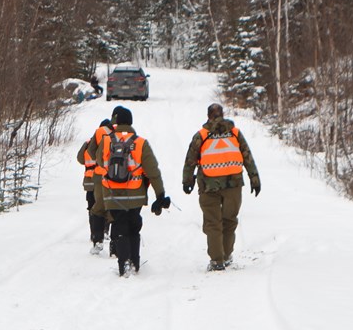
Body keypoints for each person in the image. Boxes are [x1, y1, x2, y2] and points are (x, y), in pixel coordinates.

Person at [182, 103, 262, 271]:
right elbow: (247, 156)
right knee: (229, 221)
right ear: (223, 115)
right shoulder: (235, 133)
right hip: (233, 185)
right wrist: (254, 179)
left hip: (208, 186)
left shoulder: (201, 135)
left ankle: (216, 260)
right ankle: (226, 255)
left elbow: (190, 160)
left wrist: (187, 181)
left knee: (213, 223)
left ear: (208, 116)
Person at [92, 105, 169, 276]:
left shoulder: (106, 141)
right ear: (131, 122)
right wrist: (160, 194)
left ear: (117, 122)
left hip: (112, 195)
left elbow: (100, 163)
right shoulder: (141, 143)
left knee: (119, 227)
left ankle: (123, 264)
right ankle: (135, 262)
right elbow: (153, 171)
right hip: (136, 195)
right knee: (134, 226)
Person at [77, 118, 115, 253]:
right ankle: (105, 230)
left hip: (89, 182)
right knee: (105, 206)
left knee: (92, 208)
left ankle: (94, 234)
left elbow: (80, 159)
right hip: (104, 180)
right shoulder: (112, 144)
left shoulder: (88, 144)